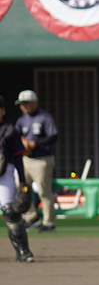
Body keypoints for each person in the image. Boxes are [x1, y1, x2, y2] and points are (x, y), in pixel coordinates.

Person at [16, 90, 58, 233]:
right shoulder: (21, 120)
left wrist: (35, 144)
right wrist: (23, 143)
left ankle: (48, 223)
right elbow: (17, 135)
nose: (24, 107)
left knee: (43, 191)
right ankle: (31, 217)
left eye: (26, 103)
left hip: (42, 159)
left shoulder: (44, 117)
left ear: (34, 102)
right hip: (26, 159)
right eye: (22, 104)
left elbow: (53, 136)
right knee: (20, 187)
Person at [1, 96, 35, 262]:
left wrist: (22, 182)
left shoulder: (9, 130)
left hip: (4, 172)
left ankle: (23, 251)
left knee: (10, 212)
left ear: (3, 111)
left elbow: (18, 158)